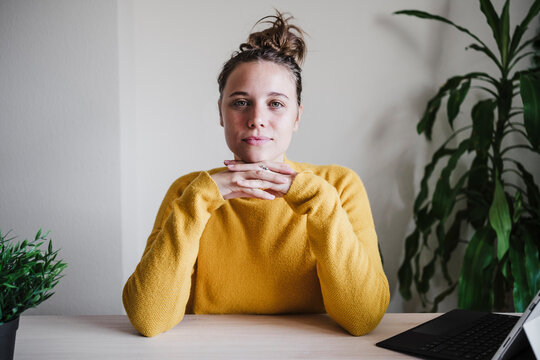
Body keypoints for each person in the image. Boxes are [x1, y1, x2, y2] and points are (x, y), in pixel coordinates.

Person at [122, 11, 390, 338]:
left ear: (297, 117)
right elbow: (149, 319)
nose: (256, 119)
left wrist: (321, 204)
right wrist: (197, 201)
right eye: (240, 103)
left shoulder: (339, 185)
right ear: (221, 112)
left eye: (275, 103)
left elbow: (363, 318)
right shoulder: (188, 190)